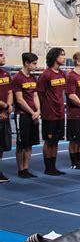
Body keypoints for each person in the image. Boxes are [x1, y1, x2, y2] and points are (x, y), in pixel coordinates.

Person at [38, 48, 67, 176]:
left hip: (60, 112)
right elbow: (40, 94)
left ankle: (53, 166)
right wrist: (45, 108)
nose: (64, 57)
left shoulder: (62, 74)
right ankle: (48, 167)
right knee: (49, 141)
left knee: (56, 141)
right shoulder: (46, 75)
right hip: (49, 113)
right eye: (62, 55)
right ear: (55, 57)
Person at [12, 52, 40, 179]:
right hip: (22, 115)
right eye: (34, 63)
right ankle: (20, 169)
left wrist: (38, 110)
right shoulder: (18, 78)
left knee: (30, 143)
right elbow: (19, 99)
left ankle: (26, 168)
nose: (36, 65)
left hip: (33, 115)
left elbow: (35, 95)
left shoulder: (33, 78)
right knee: (22, 144)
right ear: (26, 63)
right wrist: (31, 111)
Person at [0, 49, 13, 182]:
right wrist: (5, 106)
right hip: (2, 111)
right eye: (1, 56)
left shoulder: (5, 73)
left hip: (4, 115)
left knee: (2, 145)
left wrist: (7, 108)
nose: (4, 57)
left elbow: (10, 92)